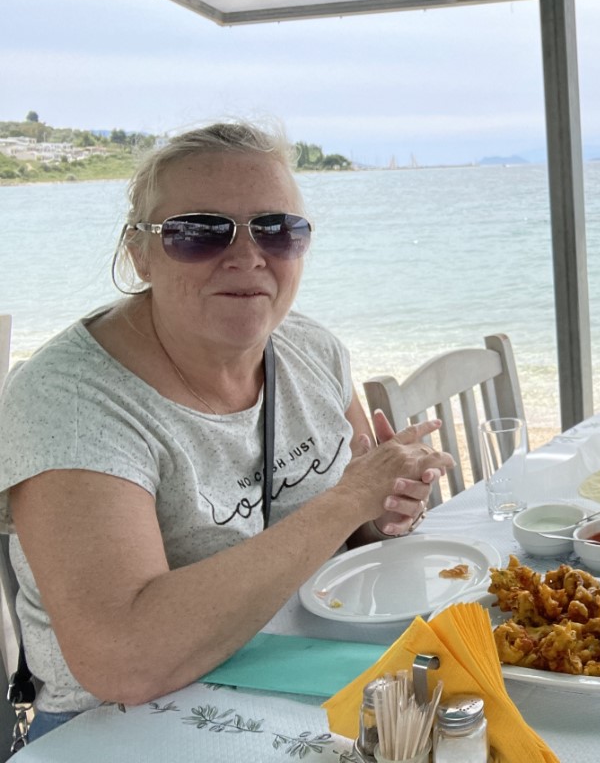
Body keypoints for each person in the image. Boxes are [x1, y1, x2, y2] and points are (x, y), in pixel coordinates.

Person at [0, 120, 454, 739]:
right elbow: (122, 659)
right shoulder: (71, 401)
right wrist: (351, 498)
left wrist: (384, 506)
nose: (247, 256)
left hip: (308, 666)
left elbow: (357, 524)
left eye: (278, 229)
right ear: (139, 253)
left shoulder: (313, 351)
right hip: (118, 725)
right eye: (199, 233)